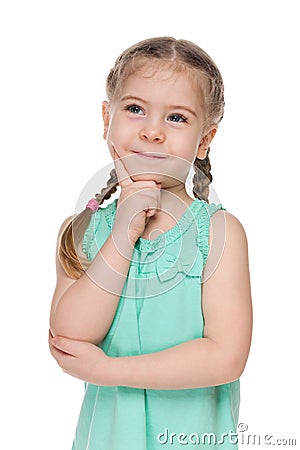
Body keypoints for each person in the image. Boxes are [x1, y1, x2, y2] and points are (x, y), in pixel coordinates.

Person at [48, 36, 252, 449]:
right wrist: (123, 232)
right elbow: (69, 336)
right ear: (107, 118)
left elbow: (226, 356)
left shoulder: (220, 232)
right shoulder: (82, 230)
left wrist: (108, 371)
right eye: (135, 109)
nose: (153, 131)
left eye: (177, 118)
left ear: (205, 139)